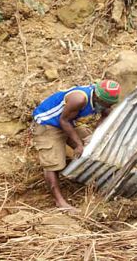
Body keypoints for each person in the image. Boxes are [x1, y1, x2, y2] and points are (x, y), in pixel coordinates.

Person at [32, 80, 121, 210]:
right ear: (97, 97)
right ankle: (59, 201)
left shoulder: (103, 102)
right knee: (53, 163)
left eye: (110, 104)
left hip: (69, 122)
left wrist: (95, 136)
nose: (107, 107)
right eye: (105, 104)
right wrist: (78, 144)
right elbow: (64, 120)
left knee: (91, 145)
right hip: (48, 123)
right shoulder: (79, 99)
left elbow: (106, 114)